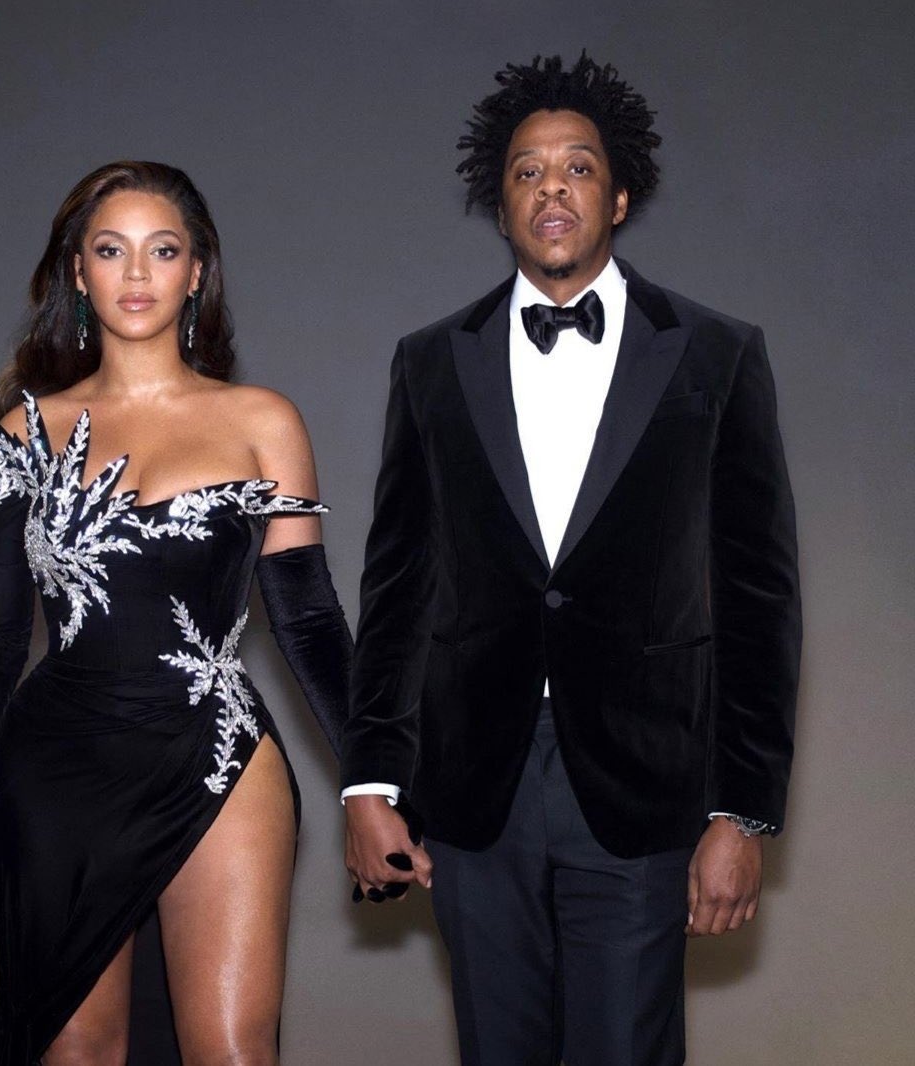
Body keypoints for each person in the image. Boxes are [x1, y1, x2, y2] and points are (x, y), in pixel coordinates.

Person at [340, 53, 801, 1065]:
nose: (552, 187)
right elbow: (400, 581)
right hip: (475, 781)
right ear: (501, 205)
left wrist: (743, 811)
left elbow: (759, 595)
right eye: (527, 171)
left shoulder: (717, 353)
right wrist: (369, 779)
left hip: (644, 779)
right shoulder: (431, 361)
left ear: (619, 196)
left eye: (579, 168)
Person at [0, 160, 352, 1066]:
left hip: (216, 755)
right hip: (59, 768)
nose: (136, 273)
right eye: (110, 250)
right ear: (77, 273)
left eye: (162, 251)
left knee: (234, 1053)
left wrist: (375, 784)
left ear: (196, 272)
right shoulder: (23, 435)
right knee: (78, 1050)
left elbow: (311, 623)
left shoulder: (262, 421)